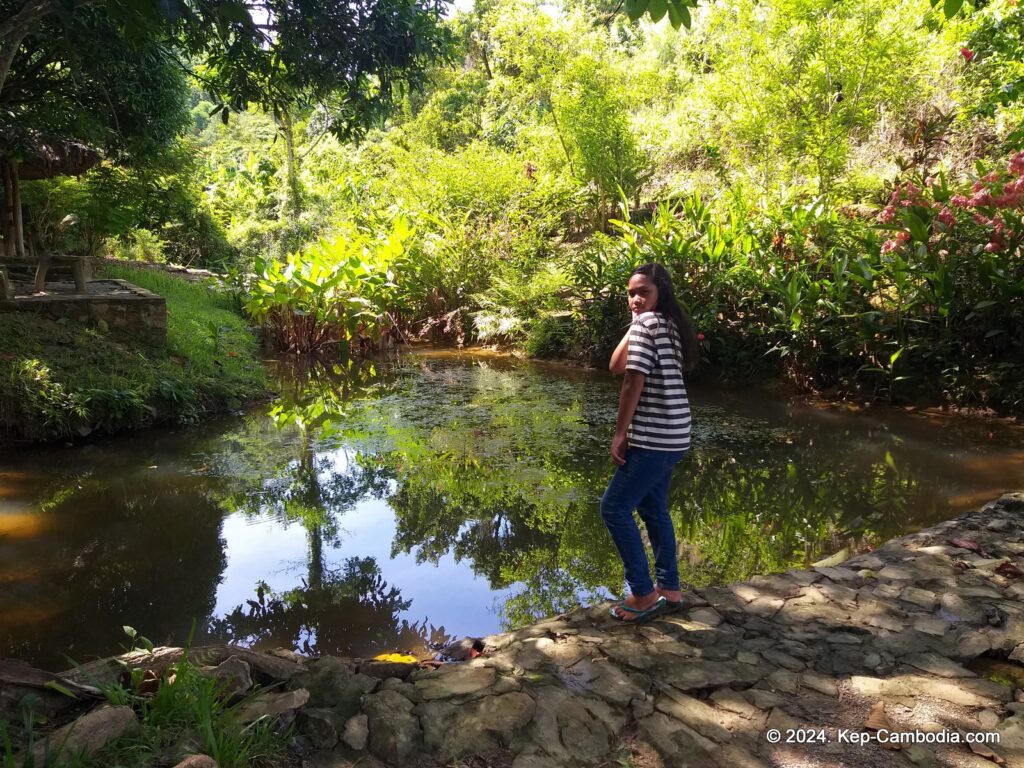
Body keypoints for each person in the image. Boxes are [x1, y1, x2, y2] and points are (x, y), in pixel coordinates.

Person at [602, 262, 699, 622]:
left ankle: (643, 595)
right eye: (631, 293)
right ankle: (669, 589)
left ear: (662, 294)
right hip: (675, 436)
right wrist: (635, 322)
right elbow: (615, 365)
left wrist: (620, 433)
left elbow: (631, 381)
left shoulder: (649, 325)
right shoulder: (668, 325)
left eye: (644, 292)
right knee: (653, 509)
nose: (636, 299)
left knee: (613, 508)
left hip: (654, 438)